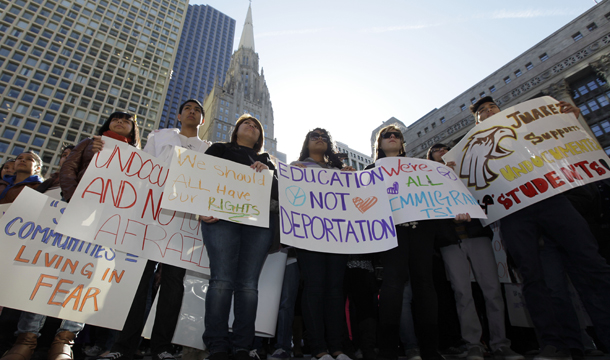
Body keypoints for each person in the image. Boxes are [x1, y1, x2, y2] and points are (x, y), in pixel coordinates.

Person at [469, 96, 610, 359]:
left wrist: (568, 121)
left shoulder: (527, 129)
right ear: (476, 123)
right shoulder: (473, 151)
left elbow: (562, 141)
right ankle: (560, 345)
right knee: (540, 281)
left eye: (492, 108)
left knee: (591, 265)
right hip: (515, 215)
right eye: (481, 113)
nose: (488, 112)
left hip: (553, 202)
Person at [97, 100, 209, 360]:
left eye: (198, 110)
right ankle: (123, 346)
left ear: (202, 120)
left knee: (173, 284)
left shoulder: (209, 150)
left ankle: (161, 347)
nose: (193, 111)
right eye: (188, 108)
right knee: (138, 279)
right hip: (149, 214)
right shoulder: (159, 137)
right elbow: (142, 167)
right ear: (179, 115)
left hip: (183, 222)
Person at [367, 126, 461, 360]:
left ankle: (430, 348)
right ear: (378, 145)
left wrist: (448, 179)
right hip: (391, 232)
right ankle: (389, 349)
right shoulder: (369, 170)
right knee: (392, 284)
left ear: (401, 143)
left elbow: (437, 192)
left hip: (421, 230)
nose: (391, 137)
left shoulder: (420, 167)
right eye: (386, 136)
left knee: (424, 284)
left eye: (396, 135)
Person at [428, 143, 522, 360]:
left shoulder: (471, 170)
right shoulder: (427, 179)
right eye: (437, 149)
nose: (443, 151)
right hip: (450, 242)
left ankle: (500, 343)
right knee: (462, 293)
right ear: (430, 157)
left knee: (492, 291)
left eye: (447, 148)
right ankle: (473, 344)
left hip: (476, 235)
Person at [200, 114, 276, 360]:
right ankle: (217, 344)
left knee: (248, 286)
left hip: (257, 225)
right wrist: (201, 207)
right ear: (236, 130)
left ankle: (243, 345)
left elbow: (279, 195)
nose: (251, 126)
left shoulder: (267, 162)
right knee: (221, 281)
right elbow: (199, 178)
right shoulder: (218, 149)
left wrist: (267, 174)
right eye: (247, 123)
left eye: (256, 126)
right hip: (220, 220)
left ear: (260, 138)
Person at [0, 146, 83, 360]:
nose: (68, 158)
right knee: (36, 288)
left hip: (78, 250)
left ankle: (63, 342)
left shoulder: (89, 184)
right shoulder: (46, 185)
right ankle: (25, 340)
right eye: (64, 155)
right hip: (41, 245)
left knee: (77, 289)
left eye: (73, 156)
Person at [290, 128, 354, 360]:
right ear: (306, 143)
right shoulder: (296, 168)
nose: (319, 139)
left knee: (335, 291)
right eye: (314, 136)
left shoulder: (339, 172)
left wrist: (351, 180)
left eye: (324, 137)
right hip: (309, 236)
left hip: (337, 237)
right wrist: (291, 177)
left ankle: (337, 347)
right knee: (314, 288)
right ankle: (318, 348)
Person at [60, 111, 140, 202]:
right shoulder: (88, 143)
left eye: (126, 121)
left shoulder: (135, 156)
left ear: (133, 131)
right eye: (115, 119)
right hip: (79, 198)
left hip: (110, 206)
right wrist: (72, 194)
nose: (120, 122)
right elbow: (69, 167)